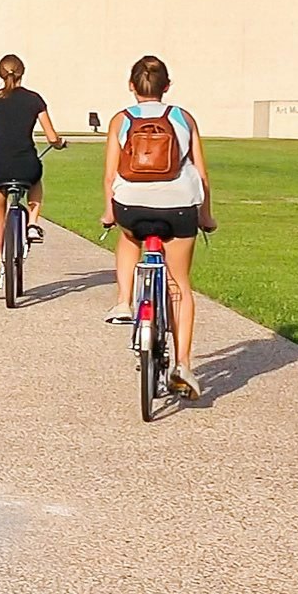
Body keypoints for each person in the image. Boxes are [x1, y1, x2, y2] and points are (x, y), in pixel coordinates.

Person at [100, 54, 212, 399]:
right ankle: (183, 364)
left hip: (131, 206)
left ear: (131, 86)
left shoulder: (121, 120)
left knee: (128, 237)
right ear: (167, 86)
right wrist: (206, 216)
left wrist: (109, 213)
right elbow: (201, 174)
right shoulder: (183, 118)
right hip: (179, 207)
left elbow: (110, 176)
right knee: (180, 284)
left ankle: (123, 301)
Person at [0, 54, 64, 290]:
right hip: (25, 163)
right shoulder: (34, 100)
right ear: (22, 72)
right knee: (35, 178)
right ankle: (33, 223)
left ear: (0, 73)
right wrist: (59, 143)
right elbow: (52, 137)